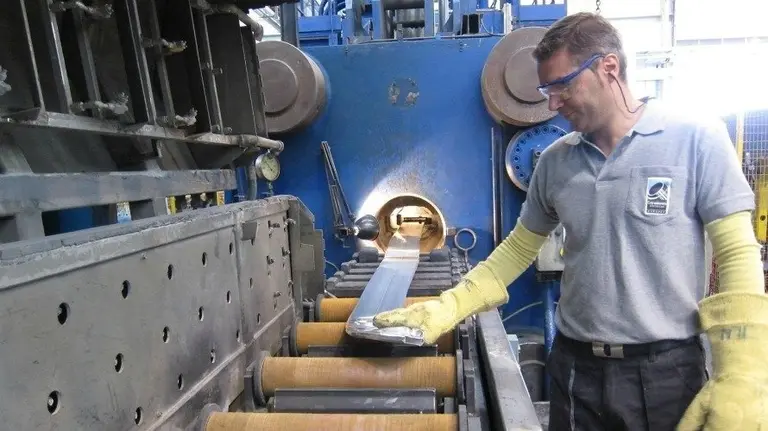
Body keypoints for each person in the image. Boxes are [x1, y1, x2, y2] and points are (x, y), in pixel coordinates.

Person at [373, 12, 768, 431]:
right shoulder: (557, 161)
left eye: (562, 86)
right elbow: (516, 251)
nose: (552, 104)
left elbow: (737, 253)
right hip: (576, 369)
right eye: (548, 90)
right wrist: (448, 306)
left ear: (608, 67)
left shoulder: (695, 139)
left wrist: (743, 371)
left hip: (665, 373)